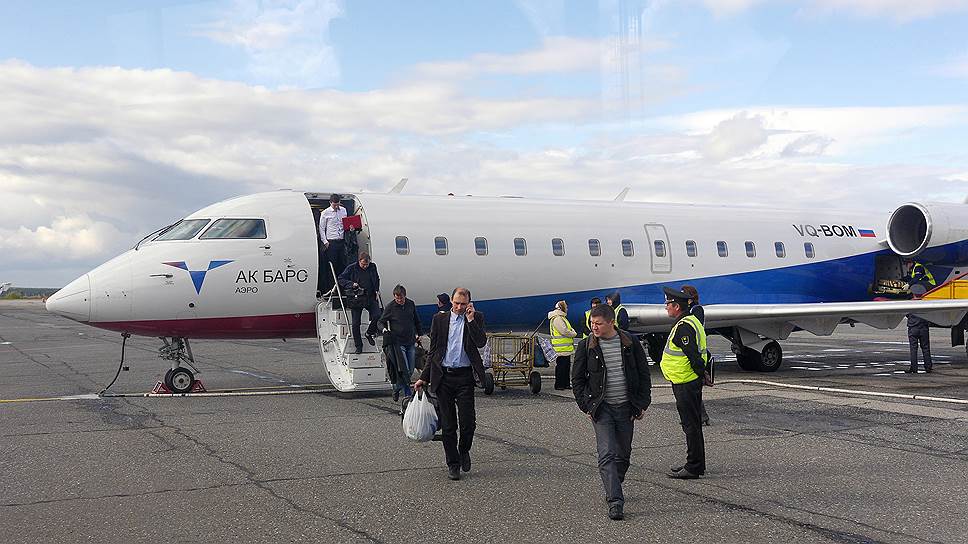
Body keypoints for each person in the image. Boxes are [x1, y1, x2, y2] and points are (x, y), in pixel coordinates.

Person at [571, 304, 651, 521]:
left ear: (611, 323)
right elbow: (577, 379)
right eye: (592, 323)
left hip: (626, 407)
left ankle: (614, 481)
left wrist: (642, 403)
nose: (594, 327)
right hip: (602, 408)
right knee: (606, 453)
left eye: (598, 323)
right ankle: (615, 501)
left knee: (623, 454)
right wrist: (586, 406)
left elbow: (643, 374)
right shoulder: (586, 345)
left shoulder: (629, 342)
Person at [414, 287, 487, 481]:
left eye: (463, 304)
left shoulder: (476, 318)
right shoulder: (439, 320)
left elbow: (480, 342)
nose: (459, 307)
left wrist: (470, 320)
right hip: (444, 377)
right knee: (448, 426)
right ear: (451, 302)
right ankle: (453, 464)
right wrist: (424, 377)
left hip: (465, 377)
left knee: (468, 423)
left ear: (469, 303)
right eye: (456, 303)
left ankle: (463, 450)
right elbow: (433, 351)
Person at [660, 287, 711, 480]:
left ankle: (693, 467)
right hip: (687, 380)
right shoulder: (690, 321)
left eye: (668, 304)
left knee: (690, 425)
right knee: (693, 424)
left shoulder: (684, 327)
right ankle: (696, 463)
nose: (666, 308)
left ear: (676, 306)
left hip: (686, 381)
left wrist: (700, 374)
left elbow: (694, 356)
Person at [377, 285, 422, 403]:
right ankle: (408, 395)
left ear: (405, 296)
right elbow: (380, 322)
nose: (399, 301)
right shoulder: (391, 307)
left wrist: (419, 334)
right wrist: (384, 330)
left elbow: (416, 320)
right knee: (404, 370)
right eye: (397, 299)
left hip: (410, 341)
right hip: (398, 343)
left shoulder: (410, 304)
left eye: (401, 299)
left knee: (410, 370)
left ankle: (397, 388)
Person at [338, 252, 381, 354]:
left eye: (367, 264)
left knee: (377, 315)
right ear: (359, 261)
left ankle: (369, 333)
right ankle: (358, 345)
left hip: (370, 297)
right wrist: (351, 284)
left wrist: (376, 290)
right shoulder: (352, 268)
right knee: (356, 323)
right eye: (363, 264)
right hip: (357, 298)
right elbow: (341, 279)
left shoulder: (372, 267)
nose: (365, 266)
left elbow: (377, 278)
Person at [680, 285, 711, 426]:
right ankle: (695, 416)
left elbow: (694, 328)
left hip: (696, 351)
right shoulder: (689, 310)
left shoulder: (696, 309)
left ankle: (701, 416)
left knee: (694, 389)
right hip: (692, 351)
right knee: (690, 390)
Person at [548, 300, 577, 390]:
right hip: (561, 348)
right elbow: (564, 331)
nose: (567, 309)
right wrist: (573, 333)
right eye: (566, 307)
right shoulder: (558, 318)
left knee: (566, 367)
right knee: (561, 367)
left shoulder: (562, 317)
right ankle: (559, 384)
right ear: (562, 308)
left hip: (565, 348)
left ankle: (566, 383)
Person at [319, 194, 348, 278]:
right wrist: (325, 242)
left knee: (342, 264)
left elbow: (345, 224)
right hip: (331, 242)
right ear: (330, 203)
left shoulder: (343, 210)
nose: (336, 207)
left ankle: (341, 283)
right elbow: (321, 228)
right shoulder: (325, 213)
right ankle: (331, 284)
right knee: (332, 265)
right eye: (334, 205)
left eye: (337, 205)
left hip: (341, 241)